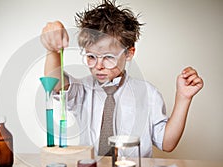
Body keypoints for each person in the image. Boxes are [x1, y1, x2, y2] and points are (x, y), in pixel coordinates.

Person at [40, 0, 204, 157]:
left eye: (108, 57)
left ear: (129, 53)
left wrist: (183, 98)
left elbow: (167, 143)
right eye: (91, 56)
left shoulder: (148, 94)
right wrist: (53, 49)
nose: (99, 66)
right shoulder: (83, 89)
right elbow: (55, 82)